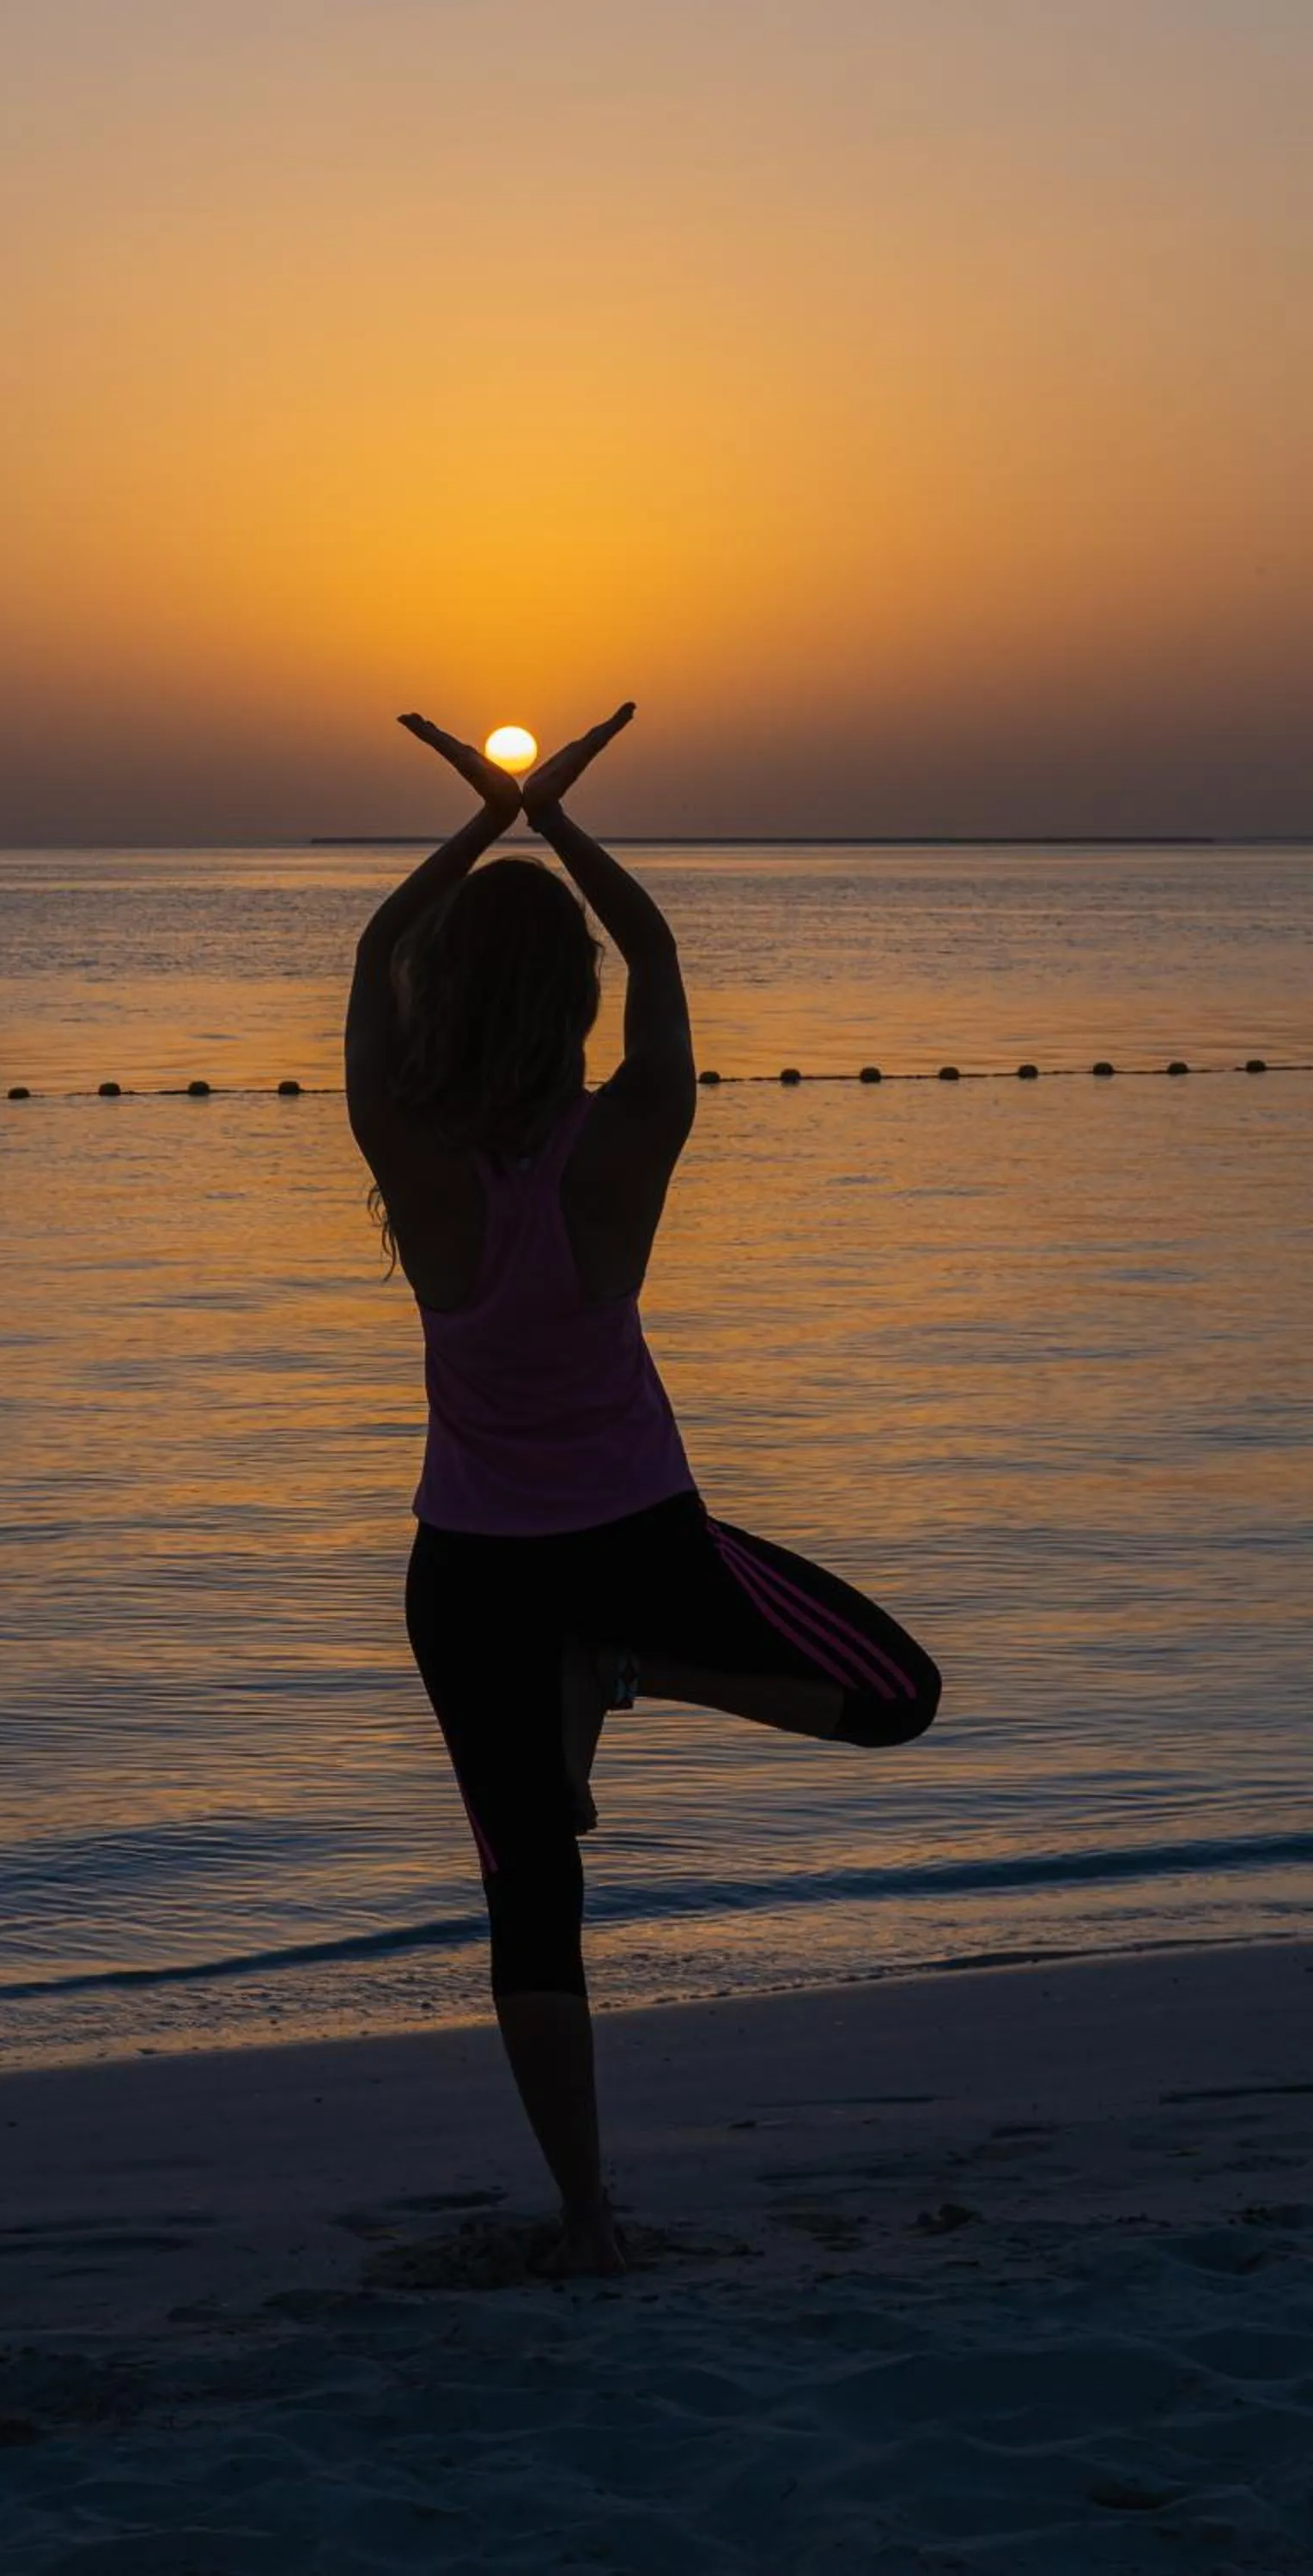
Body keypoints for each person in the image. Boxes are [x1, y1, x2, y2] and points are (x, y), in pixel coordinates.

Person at [344, 703, 941, 2278]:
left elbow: (373, 946)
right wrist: (559, 821)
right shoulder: (633, 1137)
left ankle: (588, 2217)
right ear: (577, 1003)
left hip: (468, 1568)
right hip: (632, 1535)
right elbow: (663, 960)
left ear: (440, 1002)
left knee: (533, 1900)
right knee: (896, 1698)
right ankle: (634, 1670)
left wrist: (488, 821)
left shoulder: (400, 1141)